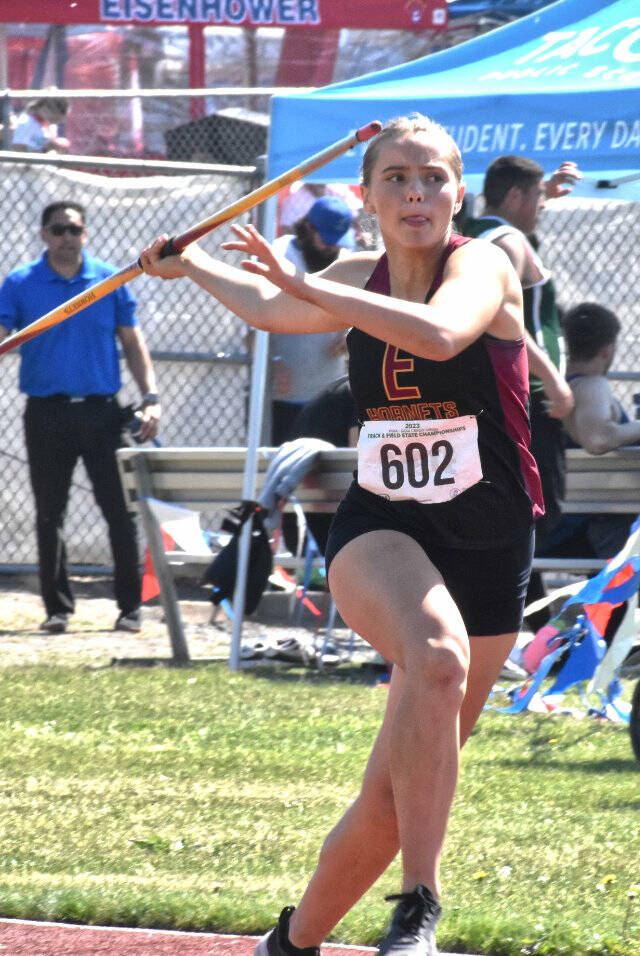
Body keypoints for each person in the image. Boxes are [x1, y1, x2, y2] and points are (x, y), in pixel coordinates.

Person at [139, 113, 543, 956]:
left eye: (433, 177)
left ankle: (290, 943)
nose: (417, 192)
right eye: (396, 178)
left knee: (394, 800)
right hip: (384, 530)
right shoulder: (358, 271)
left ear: (459, 192)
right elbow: (267, 306)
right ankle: (418, 907)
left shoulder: (484, 265)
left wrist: (314, 288)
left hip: (491, 545)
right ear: (367, 197)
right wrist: (197, 263)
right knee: (434, 658)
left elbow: (437, 333)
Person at [0, 201, 161, 635]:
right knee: (50, 513)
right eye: (58, 230)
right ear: (43, 235)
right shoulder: (19, 284)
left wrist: (150, 396)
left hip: (103, 412)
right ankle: (57, 610)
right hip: (46, 413)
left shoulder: (111, 280)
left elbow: (132, 342)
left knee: (119, 512)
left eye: (74, 229)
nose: (67, 237)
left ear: (85, 233)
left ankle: (130, 609)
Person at [463, 155, 578, 627]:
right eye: (536, 200)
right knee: (537, 508)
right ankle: (506, 615)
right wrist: (553, 379)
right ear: (515, 197)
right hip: (524, 394)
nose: (541, 209)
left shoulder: (475, 229)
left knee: (520, 511)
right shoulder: (506, 243)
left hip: (498, 393)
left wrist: (544, 189)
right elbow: (504, 317)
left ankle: (527, 621)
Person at [539, 302, 640, 561]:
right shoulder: (592, 385)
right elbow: (597, 439)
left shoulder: (551, 387)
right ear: (607, 350)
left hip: (563, 518)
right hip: (595, 525)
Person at [269, 195, 355, 445]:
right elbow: (252, 324)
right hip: (284, 393)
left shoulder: (345, 258)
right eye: (326, 240)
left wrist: (351, 334)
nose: (332, 248)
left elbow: (360, 310)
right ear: (308, 229)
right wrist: (272, 361)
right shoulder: (279, 254)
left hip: (329, 393)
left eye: (336, 242)